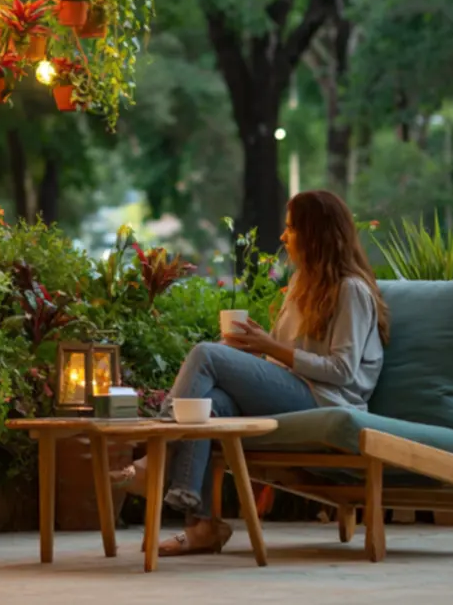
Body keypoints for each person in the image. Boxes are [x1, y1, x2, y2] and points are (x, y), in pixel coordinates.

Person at [111, 189, 389, 556]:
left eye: (291, 228)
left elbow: (342, 371)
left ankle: (155, 458)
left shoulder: (351, 290)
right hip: (295, 390)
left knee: (205, 354)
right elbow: (284, 358)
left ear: (316, 234)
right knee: (209, 404)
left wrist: (270, 348)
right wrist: (254, 351)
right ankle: (203, 525)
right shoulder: (302, 285)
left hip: (327, 399)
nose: (283, 236)